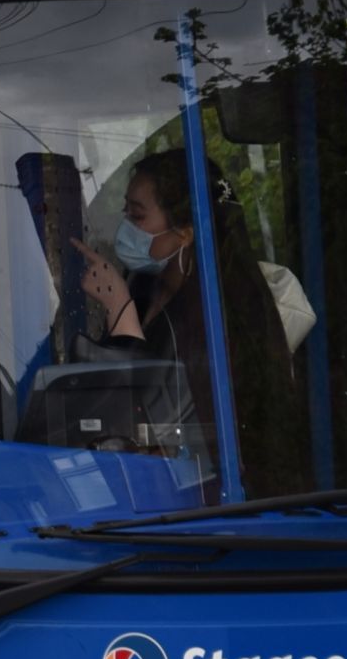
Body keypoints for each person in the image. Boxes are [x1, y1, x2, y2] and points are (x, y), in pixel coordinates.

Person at [75, 145, 314, 497]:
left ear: (185, 231)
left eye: (138, 217)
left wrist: (120, 311)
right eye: (125, 213)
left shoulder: (221, 316)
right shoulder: (145, 288)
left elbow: (169, 420)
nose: (126, 229)